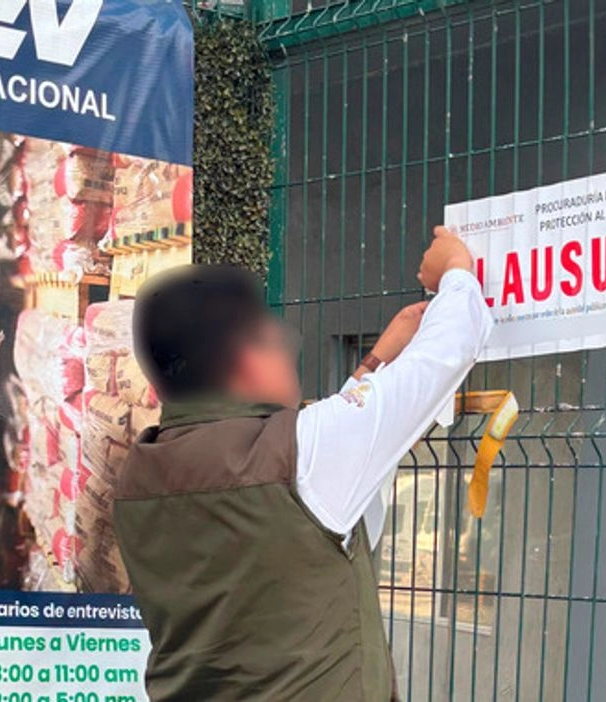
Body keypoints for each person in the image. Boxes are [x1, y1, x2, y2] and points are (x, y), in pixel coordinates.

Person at [114, 226, 492, 701]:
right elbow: (446, 353)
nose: (291, 356)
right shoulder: (297, 456)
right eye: (281, 344)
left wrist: (375, 361)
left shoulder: (140, 476)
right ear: (249, 358)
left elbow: (323, 487)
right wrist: (456, 270)